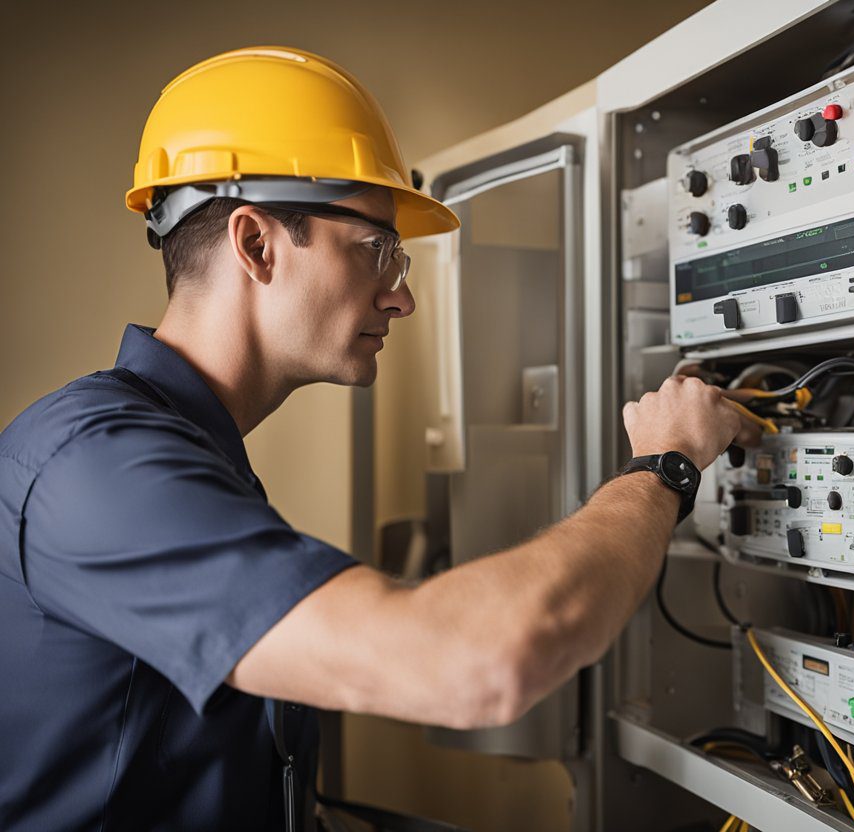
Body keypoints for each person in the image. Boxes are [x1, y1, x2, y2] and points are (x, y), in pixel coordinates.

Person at [0, 46, 755, 830]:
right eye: (378, 250)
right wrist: (664, 468)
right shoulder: (93, 466)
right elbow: (478, 665)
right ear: (255, 244)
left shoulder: (181, 450)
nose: (401, 298)